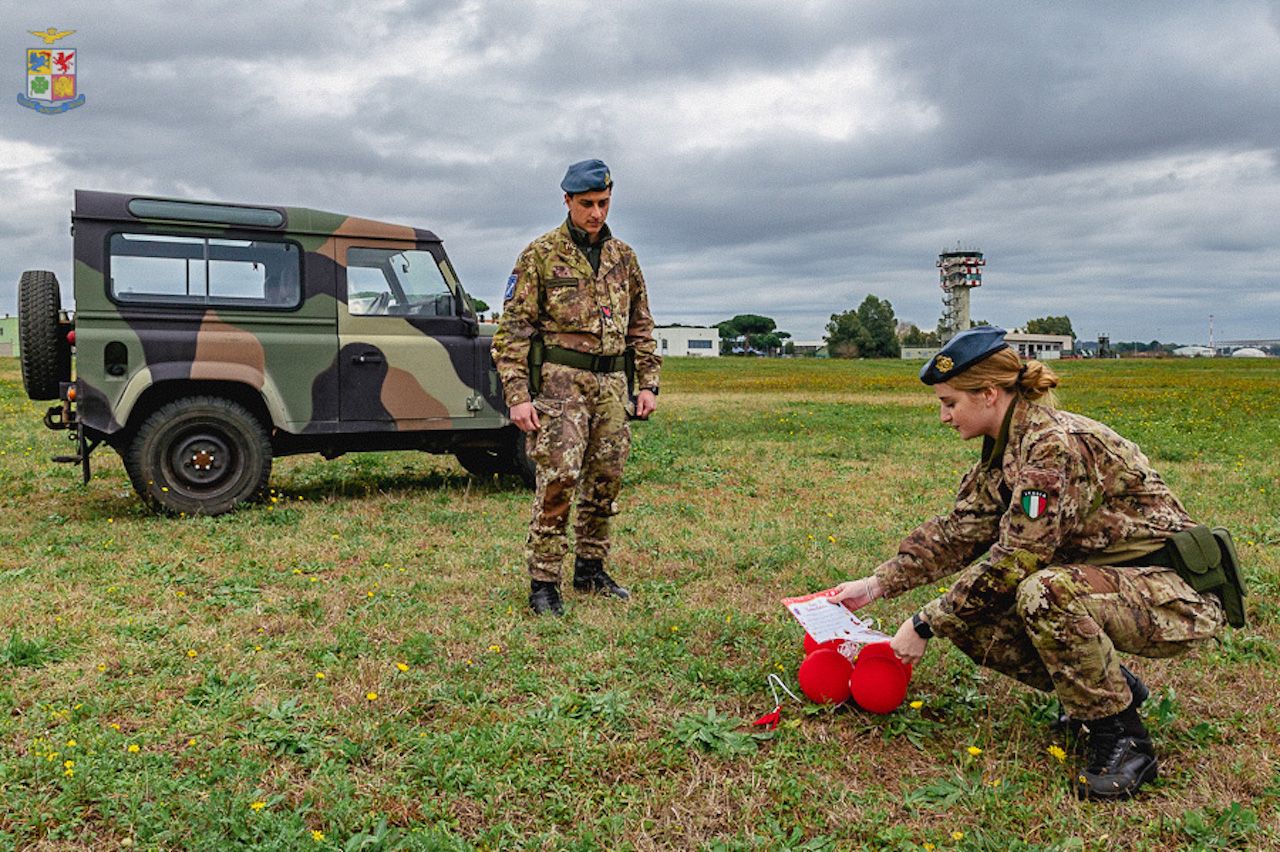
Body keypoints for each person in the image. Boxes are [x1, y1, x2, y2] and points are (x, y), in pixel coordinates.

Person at [827, 325, 1244, 800]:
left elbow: (1017, 559)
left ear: (988, 394)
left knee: (1044, 592)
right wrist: (876, 584)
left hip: (1176, 592)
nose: (943, 416)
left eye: (949, 403)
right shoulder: (1006, 447)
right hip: (1116, 583)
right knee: (971, 610)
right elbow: (958, 531)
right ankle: (1107, 689)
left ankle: (1124, 740)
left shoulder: (1049, 446)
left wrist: (923, 624)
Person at [491, 159, 661, 616]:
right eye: (586, 204)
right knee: (558, 480)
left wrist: (648, 383)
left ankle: (590, 568)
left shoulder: (623, 257)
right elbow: (513, 332)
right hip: (560, 386)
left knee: (605, 479)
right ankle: (543, 582)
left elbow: (640, 324)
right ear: (567, 201)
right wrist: (518, 396)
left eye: (603, 203)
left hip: (610, 386)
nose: (596, 213)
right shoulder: (541, 255)